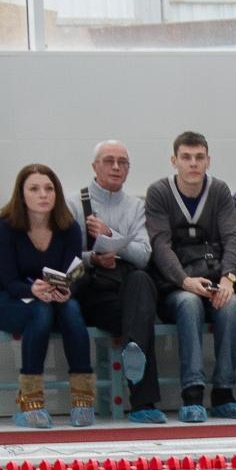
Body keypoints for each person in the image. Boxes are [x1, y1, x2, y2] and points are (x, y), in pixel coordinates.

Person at [146, 131, 236, 424]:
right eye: (186, 157)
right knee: (189, 303)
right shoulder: (159, 192)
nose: (193, 164)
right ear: (174, 160)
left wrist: (228, 279)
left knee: (232, 304)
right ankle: (193, 393)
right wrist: (184, 281)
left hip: (213, 279)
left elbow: (233, 238)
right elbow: (160, 245)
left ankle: (224, 392)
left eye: (199, 157)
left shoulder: (220, 191)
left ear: (208, 160)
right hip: (175, 286)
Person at [0, 163, 95, 429]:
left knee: (72, 310)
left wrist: (67, 290)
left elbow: (75, 272)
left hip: (55, 299)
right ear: (21, 193)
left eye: (49, 188)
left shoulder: (68, 227)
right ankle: (30, 399)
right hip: (12, 299)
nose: (43, 195)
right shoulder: (5, 227)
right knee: (41, 310)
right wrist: (32, 290)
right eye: (34, 189)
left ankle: (83, 398)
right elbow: (8, 279)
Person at [73, 140, 161, 424]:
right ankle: (143, 399)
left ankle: (134, 358)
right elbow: (66, 258)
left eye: (122, 162)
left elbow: (144, 255)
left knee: (141, 280)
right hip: (92, 291)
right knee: (141, 319)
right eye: (109, 161)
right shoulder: (74, 204)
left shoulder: (136, 207)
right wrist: (94, 259)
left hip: (124, 290)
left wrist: (112, 236)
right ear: (94, 166)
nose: (115, 167)